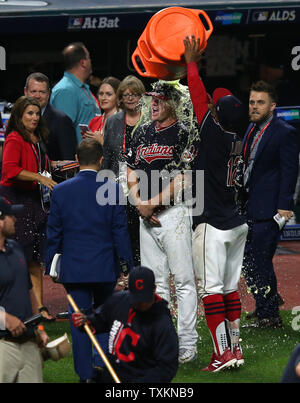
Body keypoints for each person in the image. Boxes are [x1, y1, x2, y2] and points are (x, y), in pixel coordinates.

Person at [45, 138, 134, 383]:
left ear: (76, 160)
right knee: (104, 319)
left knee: (79, 321)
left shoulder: (61, 191)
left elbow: (54, 231)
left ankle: (85, 376)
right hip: (105, 267)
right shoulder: (113, 189)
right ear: (101, 160)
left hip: (74, 270)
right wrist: (129, 266)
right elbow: (119, 232)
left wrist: (49, 263)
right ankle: (103, 369)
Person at [184, 36, 248, 372]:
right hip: (237, 222)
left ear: (216, 113)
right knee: (227, 289)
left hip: (212, 222)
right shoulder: (239, 136)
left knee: (210, 291)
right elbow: (208, 101)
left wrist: (191, 61)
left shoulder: (211, 131)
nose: (209, 106)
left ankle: (222, 354)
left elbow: (196, 90)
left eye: (214, 105)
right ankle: (235, 350)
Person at [126, 80, 198, 364]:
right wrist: (138, 203)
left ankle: (187, 345)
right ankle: (162, 341)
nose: (152, 104)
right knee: (155, 284)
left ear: (173, 102)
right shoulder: (140, 131)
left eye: (159, 99)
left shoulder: (185, 132)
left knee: (183, 281)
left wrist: (150, 203)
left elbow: (186, 178)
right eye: (151, 99)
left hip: (175, 213)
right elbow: (129, 171)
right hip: (147, 217)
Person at [242, 80, 299, 328]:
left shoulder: (284, 132)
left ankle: (270, 315)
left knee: (260, 260)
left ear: (272, 106)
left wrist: (285, 206)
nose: (254, 107)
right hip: (250, 206)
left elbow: (290, 171)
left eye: (260, 102)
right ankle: (266, 302)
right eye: (252, 102)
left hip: (271, 209)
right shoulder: (251, 130)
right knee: (249, 260)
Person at [0, 96, 57, 321]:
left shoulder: (36, 138)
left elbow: (39, 167)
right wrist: (39, 178)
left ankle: (40, 308)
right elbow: (10, 170)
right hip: (15, 200)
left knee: (34, 256)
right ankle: (16, 306)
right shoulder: (14, 138)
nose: (34, 117)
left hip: (33, 201)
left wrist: (53, 168)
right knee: (20, 254)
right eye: (30, 113)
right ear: (19, 116)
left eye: (37, 113)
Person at [72, 266, 179, 383]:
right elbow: (101, 320)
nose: (141, 305)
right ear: (129, 290)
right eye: (137, 300)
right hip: (113, 375)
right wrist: (86, 322)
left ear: (154, 289)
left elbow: (167, 368)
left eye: (145, 300)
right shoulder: (119, 301)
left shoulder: (162, 323)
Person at [0, 196, 49, 383]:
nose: (16, 219)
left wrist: (39, 327)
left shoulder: (16, 249)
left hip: (29, 344)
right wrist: (4, 318)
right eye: (11, 216)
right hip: (3, 346)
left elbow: (29, 290)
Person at [102, 75, 145, 266]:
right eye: (125, 94)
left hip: (147, 184)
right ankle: (130, 273)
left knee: (144, 233)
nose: (130, 98)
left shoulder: (151, 119)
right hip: (119, 185)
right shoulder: (112, 122)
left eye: (134, 94)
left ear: (141, 96)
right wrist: (102, 186)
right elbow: (108, 156)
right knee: (123, 233)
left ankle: (145, 274)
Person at [50, 42, 100, 144]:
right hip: (78, 158)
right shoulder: (65, 90)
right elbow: (63, 134)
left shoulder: (82, 88)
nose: (91, 61)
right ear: (83, 63)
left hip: (92, 157)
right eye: (89, 58)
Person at [24, 72, 77, 161]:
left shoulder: (62, 120)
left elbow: (68, 161)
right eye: (33, 91)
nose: (37, 96)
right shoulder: (18, 117)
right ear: (25, 92)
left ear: (48, 93)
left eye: (42, 92)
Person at [82, 76, 120, 145]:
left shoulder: (124, 122)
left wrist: (102, 141)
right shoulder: (94, 121)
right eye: (101, 94)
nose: (103, 98)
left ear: (117, 97)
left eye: (108, 94)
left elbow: (124, 153)